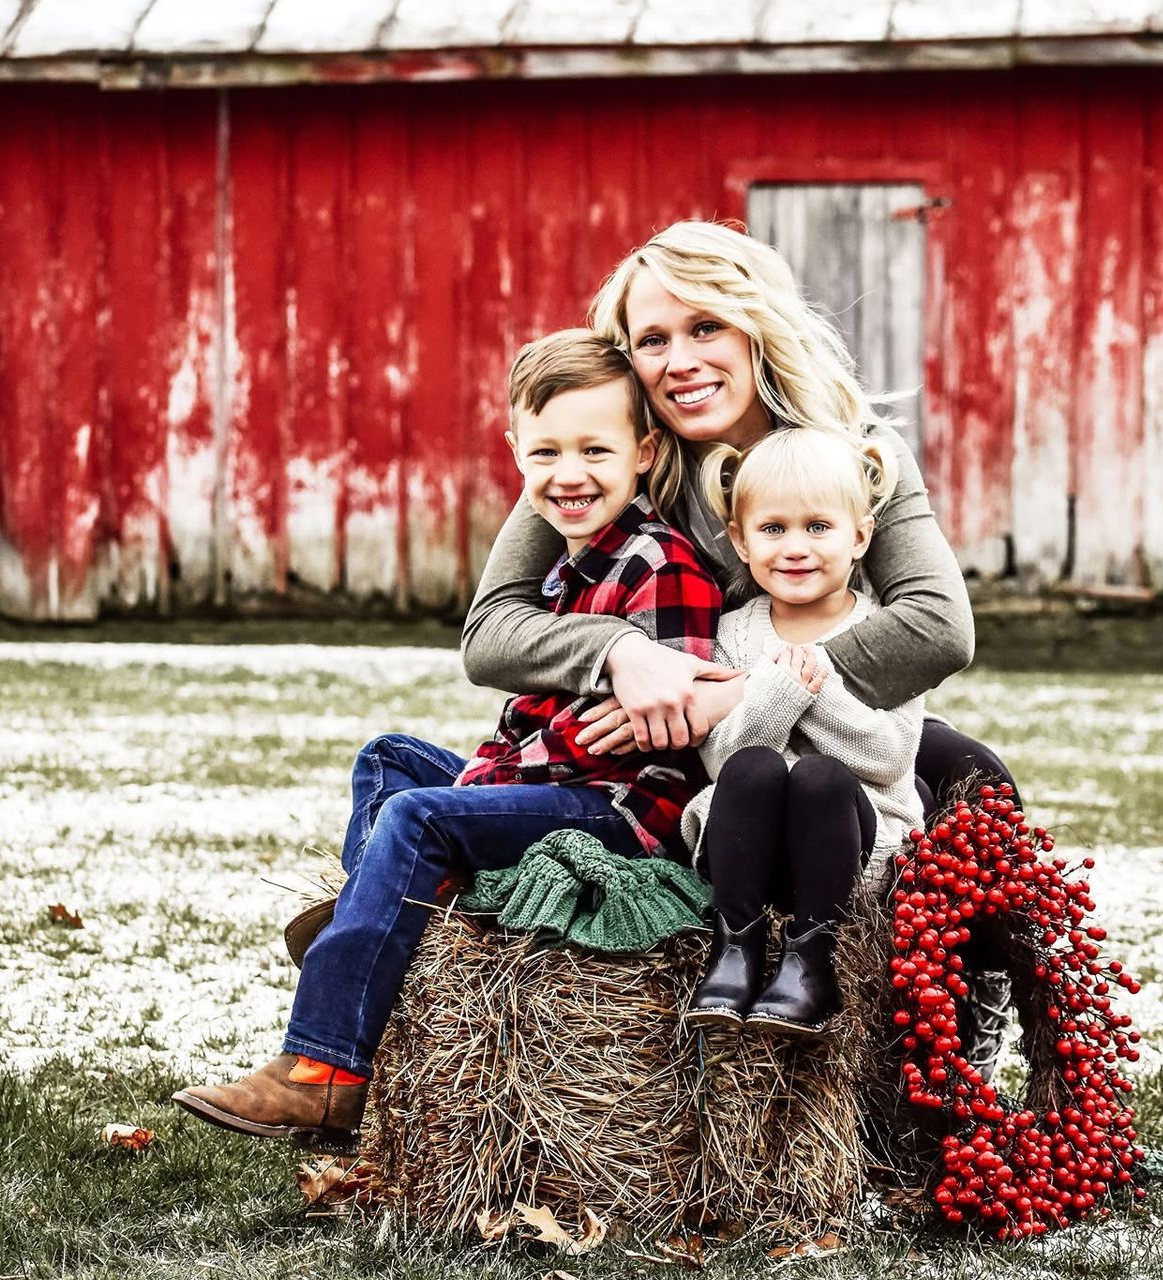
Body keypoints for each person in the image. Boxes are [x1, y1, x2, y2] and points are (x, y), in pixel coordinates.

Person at [172, 330, 722, 1152]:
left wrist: (504, 773)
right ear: (515, 453)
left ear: (644, 452)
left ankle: (324, 1067)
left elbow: (664, 721)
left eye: (595, 451)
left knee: (420, 817)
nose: (569, 474)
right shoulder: (566, 563)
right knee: (390, 759)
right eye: (546, 451)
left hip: (619, 813)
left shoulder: (660, 563)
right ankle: (389, 913)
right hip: (551, 780)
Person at [462, 219, 1021, 838]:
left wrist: (746, 691)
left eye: (706, 327)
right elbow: (491, 631)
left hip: (833, 720)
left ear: (757, 326)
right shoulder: (611, 458)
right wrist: (620, 652)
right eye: (652, 340)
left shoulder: (856, 453)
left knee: (967, 774)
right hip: (673, 752)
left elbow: (938, 625)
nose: (681, 362)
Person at [678, 427, 923, 1036]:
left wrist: (816, 687)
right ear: (739, 538)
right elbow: (722, 759)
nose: (795, 548)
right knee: (754, 768)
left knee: (817, 777)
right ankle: (735, 946)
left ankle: (809, 962)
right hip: (749, 850)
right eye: (772, 529)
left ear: (860, 536)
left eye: (818, 528)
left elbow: (890, 756)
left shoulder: (888, 634)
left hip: (846, 847)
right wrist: (778, 690)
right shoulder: (734, 631)